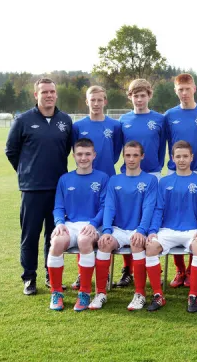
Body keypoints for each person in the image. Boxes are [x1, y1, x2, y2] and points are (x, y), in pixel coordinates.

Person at [5, 78, 73, 295]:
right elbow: (11, 151)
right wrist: (27, 172)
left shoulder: (65, 120)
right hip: (32, 189)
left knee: (54, 235)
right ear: (36, 95)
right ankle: (29, 277)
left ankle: (50, 274)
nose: (49, 95)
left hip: (57, 189)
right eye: (44, 92)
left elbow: (66, 150)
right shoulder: (23, 120)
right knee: (30, 234)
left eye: (52, 91)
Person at [92, 141, 158, 310]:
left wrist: (142, 230)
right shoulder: (114, 180)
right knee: (104, 243)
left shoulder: (150, 180)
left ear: (142, 156)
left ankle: (140, 294)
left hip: (138, 229)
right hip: (119, 229)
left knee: (136, 244)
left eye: (135, 155)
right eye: (128, 155)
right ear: (123, 156)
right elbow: (109, 206)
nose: (131, 159)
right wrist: (107, 230)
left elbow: (149, 208)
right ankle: (100, 293)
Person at [70, 85, 122, 291]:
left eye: (100, 100)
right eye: (93, 100)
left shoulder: (115, 126)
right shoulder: (78, 126)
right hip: (84, 181)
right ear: (87, 101)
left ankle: (108, 270)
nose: (97, 103)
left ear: (105, 101)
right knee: (85, 224)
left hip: (108, 179)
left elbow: (117, 150)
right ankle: (81, 272)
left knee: (109, 223)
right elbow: (77, 150)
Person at [147, 141, 197, 312]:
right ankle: (158, 295)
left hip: (192, 230)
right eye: (178, 156)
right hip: (168, 229)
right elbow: (158, 209)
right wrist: (153, 231)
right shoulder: (164, 182)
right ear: (172, 158)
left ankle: (193, 295)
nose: (182, 160)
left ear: (192, 158)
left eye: (185, 156)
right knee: (150, 247)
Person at [48, 139, 109, 311]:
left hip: (93, 224)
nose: (84, 158)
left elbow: (106, 207)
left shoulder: (103, 178)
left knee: (84, 240)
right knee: (57, 242)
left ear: (94, 155)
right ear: (73, 156)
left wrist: (94, 223)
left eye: (88, 154)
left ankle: (84, 292)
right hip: (70, 224)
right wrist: (59, 223)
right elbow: (59, 206)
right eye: (80, 154)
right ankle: (56, 292)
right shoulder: (65, 179)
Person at [117, 79, 166, 288]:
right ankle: (127, 269)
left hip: (152, 174)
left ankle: (153, 264)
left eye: (143, 95)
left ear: (149, 95)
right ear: (130, 97)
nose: (139, 99)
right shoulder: (123, 120)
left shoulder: (159, 119)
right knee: (129, 219)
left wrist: (156, 167)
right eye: (135, 96)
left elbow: (163, 146)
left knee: (152, 219)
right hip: (129, 175)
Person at [163, 73, 197, 289]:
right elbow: (163, 143)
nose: (184, 93)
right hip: (174, 175)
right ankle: (180, 270)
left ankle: (192, 269)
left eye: (187, 88)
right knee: (173, 220)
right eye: (180, 89)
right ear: (176, 91)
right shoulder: (169, 115)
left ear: (194, 88)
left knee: (196, 220)